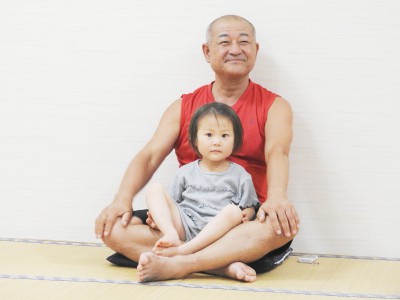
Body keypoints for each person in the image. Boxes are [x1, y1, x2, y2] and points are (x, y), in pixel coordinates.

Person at [95, 14, 300, 283]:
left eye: (244, 42)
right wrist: (122, 198)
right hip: (187, 218)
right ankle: (216, 265)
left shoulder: (275, 106)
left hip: (240, 222)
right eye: (225, 42)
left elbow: (278, 152)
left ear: (256, 50)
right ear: (207, 51)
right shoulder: (182, 106)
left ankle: (180, 263)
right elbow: (149, 156)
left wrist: (277, 197)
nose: (236, 49)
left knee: (279, 228)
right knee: (114, 230)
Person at [146, 102, 260, 258]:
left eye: (224, 135)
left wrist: (248, 213)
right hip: (185, 226)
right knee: (155, 188)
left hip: (218, 233)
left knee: (234, 211)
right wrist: (159, 218)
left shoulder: (241, 175)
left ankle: (184, 250)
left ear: (235, 140)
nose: (216, 142)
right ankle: (171, 235)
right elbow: (170, 202)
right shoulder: (185, 172)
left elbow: (250, 206)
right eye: (209, 135)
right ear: (195, 139)